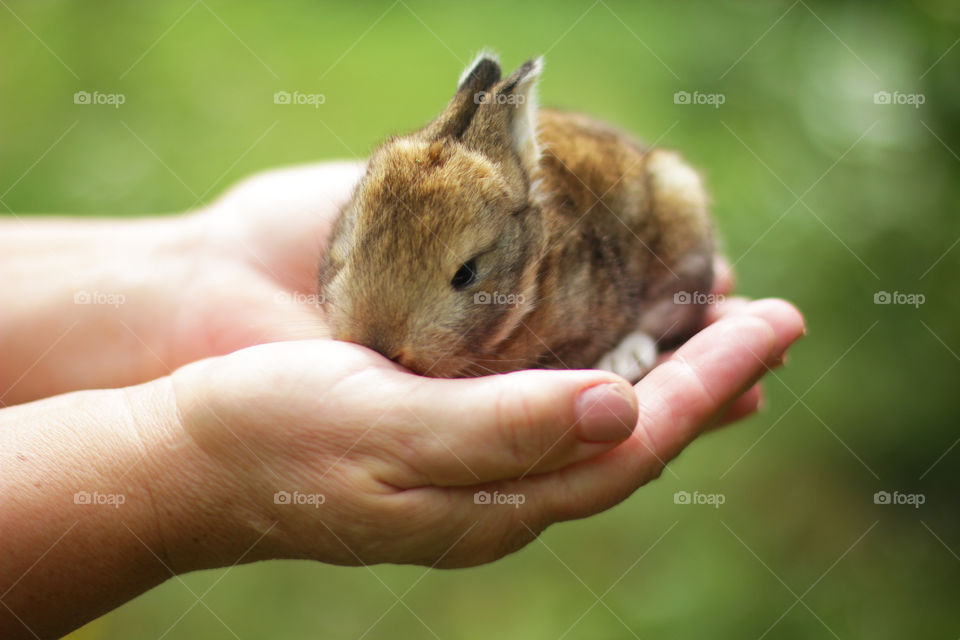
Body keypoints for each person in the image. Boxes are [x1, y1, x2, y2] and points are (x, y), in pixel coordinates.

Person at [0, 161, 804, 639]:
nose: (379, 335)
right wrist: (176, 456)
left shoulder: (562, 278)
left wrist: (191, 263)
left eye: (461, 279)